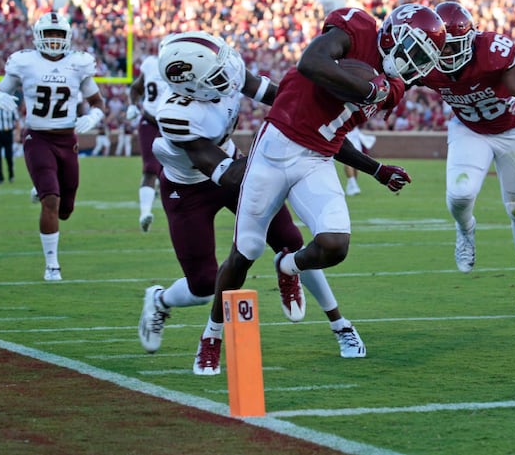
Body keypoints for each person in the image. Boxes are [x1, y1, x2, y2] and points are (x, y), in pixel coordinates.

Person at [193, 4, 446, 375]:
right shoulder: (357, 29)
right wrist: (365, 87)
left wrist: (375, 170)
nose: (413, 63)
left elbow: (333, 132)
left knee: (335, 244)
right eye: (413, 50)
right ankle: (212, 335)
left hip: (316, 160)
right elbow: (311, 62)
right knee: (244, 251)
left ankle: (287, 265)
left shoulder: (393, 89)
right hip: (274, 149)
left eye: (422, 59)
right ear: (392, 34)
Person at [137, 31, 368, 374]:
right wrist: (278, 151)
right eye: (216, 76)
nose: (228, 78)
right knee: (203, 286)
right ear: (189, 85)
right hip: (191, 189)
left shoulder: (222, 73)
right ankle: (160, 300)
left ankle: (340, 324)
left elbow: (287, 102)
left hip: (234, 163)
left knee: (291, 244)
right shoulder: (175, 115)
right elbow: (227, 175)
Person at [418, 1, 515, 318]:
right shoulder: (426, 61)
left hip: (512, 131)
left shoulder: (492, 51)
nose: (446, 55)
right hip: (469, 130)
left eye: (453, 47)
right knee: (460, 195)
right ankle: (466, 229)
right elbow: (393, 80)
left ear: (471, 40)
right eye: (441, 47)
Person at [0, 12, 105, 281]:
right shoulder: (25, 62)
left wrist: (93, 116)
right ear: (38, 37)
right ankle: (52, 265)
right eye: (49, 34)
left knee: (65, 210)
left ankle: (41, 187)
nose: (53, 40)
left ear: (67, 37)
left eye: (58, 35)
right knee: (51, 200)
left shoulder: (79, 64)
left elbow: (98, 102)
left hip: (67, 140)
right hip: (38, 138)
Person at [126, 51, 171, 232]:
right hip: (150, 121)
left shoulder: (184, 69)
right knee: (150, 168)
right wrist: (132, 105)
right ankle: (145, 213)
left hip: (172, 124)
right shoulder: (151, 64)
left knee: (174, 170)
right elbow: (136, 88)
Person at [0, 99, 20, 183]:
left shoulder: (12, 108)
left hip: (8, 133)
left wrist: (17, 134)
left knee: (8, 156)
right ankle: (0, 176)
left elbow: (17, 122)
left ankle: (11, 175)